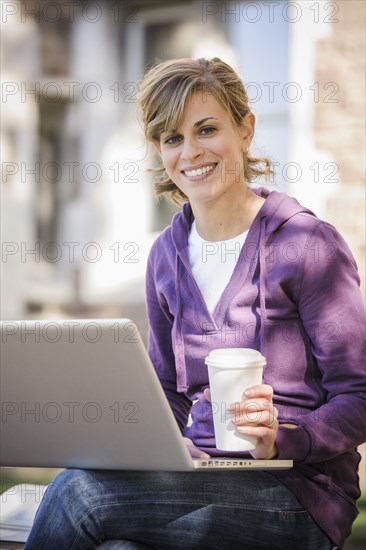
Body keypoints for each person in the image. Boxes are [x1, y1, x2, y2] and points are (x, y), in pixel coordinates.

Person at [25, 58, 365, 550]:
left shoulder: (308, 245)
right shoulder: (166, 255)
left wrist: (282, 437)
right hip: (197, 476)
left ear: (246, 129)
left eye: (207, 129)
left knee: (81, 494)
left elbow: (358, 395)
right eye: (172, 138)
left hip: (298, 491)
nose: (191, 152)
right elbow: (166, 390)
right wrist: (151, 439)